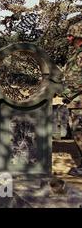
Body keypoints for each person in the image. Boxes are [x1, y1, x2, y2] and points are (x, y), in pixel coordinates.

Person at [60, 21, 82, 177]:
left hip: (79, 101)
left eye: (71, 35)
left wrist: (66, 92)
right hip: (76, 102)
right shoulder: (75, 54)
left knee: (79, 134)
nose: (68, 38)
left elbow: (77, 81)